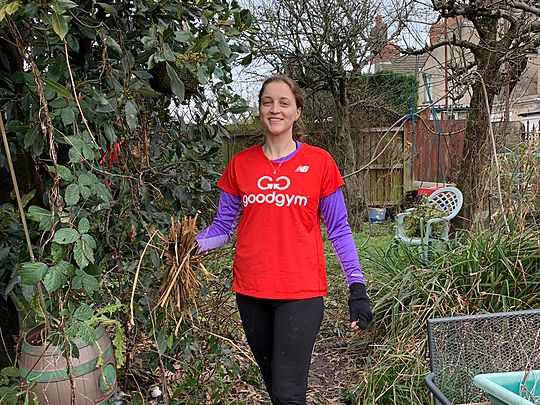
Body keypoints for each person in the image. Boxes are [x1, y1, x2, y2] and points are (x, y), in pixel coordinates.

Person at [195, 74, 372, 405]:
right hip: (251, 292)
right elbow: (222, 227)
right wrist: (191, 245)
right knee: (277, 387)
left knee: (287, 393)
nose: (274, 110)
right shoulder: (240, 164)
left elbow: (339, 229)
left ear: (297, 112)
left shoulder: (320, 163)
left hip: (301, 293)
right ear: (260, 109)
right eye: (267, 102)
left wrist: (357, 287)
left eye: (283, 103)